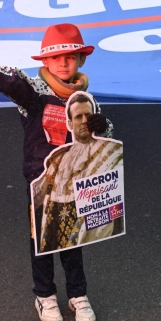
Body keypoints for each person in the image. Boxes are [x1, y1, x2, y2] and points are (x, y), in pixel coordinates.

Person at [0, 23, 114, 321]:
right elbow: (11, 80)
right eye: (56, 57)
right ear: (45, 61)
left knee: (72, 239)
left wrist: (102, 127)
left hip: (76, 182)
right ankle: (44, 296)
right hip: (41, 181)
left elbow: (107, 139)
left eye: (70, 57)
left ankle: (78, 295)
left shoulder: (88, 98)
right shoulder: (33, 93)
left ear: (81, 60)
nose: (63, 62)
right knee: (42, 240)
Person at [32, 92, 123, 254]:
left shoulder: (112, 152)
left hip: (82, 226)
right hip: (52, 222)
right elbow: (39, 192)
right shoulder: (57, 157)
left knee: (73, 265)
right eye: (78, 116)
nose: (83, 121)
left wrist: (104, 127)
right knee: (42, 262)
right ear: (70, 123)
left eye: (87, 115)